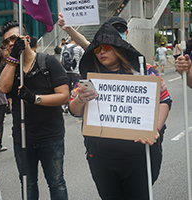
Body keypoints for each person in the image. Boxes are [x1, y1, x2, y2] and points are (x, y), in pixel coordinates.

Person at [68, 22, 172, 200]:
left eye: (106, 47)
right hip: (101, 156)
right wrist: (80, 99)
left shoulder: (143, 71)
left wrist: (155, 130)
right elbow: (74, 110)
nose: (101, 52)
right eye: (97, 49)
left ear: (118, 48)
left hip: (139, 154)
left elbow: (164, 99)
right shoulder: (88, 77)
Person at [0, 20, 69, 200]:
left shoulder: (48, 62)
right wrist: (13, 58)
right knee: (28, 184)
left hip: (50, 135)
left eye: (13, 38)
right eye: (6, 42)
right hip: (22, 136)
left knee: (56, 182)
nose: (10, 44)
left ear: (26, 38)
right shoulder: (8, 68)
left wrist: (35, 99)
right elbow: (3, 88)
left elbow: (63, 96)